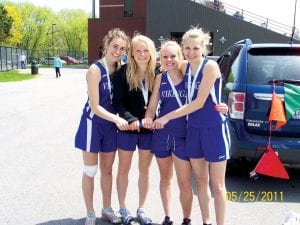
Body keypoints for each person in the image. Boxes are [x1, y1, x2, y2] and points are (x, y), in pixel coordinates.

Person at [143, 40, 228, 225]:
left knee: (188, 182)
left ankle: (187, 218)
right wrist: (149, 117)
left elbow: (210, 91)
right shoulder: (161, 78)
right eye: (164, 57)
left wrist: (223, 104)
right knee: (168, 178)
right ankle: (169, 216)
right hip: (164, 134)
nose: (169, 60)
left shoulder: (188, 70)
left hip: (187, 133)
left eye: (173, 56)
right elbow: (151, 106)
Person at [74, 28, 130, 225]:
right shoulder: (95, 70)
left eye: (123, 48)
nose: (118, 51)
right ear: (106, 45)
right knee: (90, 171)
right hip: (93, 124)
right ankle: (90, 213)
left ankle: (107, 209)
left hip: (110, 127)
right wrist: (117, 119)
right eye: (115, 46)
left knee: (107, 170)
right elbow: (95, 107)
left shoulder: (122, 68)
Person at [112, 34, 156, 225]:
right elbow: (118, 103)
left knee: (144, 170)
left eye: (146, 50)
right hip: (128, 129)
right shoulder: (122, 73)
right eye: (137, 50)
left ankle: (142, 209)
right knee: (124, 169)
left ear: (152, 52)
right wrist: (130, 120)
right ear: (131, 53)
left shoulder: (158, 72)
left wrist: (150, 119)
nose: (142, 54)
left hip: (148, 129)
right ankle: (122, 208)